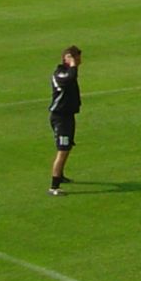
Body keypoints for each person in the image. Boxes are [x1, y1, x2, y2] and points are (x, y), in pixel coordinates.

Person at [49, 45, 82, 195]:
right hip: (60, 117)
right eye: (76, 57)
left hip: (68, 115)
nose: (79, 60)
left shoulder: (68, 72)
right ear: (67, 58)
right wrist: (73, 65)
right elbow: (70, 78)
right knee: (62, 150)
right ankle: (54, 187)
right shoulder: (59, 74)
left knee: (67, 146)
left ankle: (60, 175)